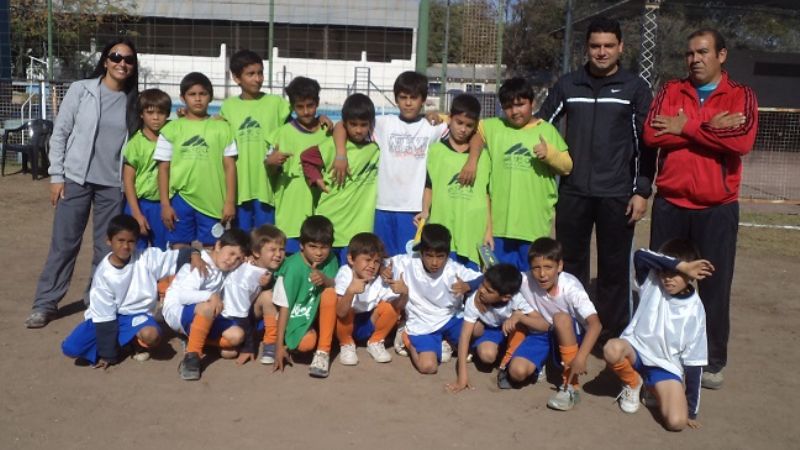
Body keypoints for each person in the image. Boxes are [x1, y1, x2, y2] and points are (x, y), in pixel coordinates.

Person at [643, 29, 758, 389]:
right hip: (671, 204)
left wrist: (686, 125)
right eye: (690, 53)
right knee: (664, 280)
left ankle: (711, 359)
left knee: (713, 284)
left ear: (721, 55)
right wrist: (710, 127)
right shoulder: (670, 90)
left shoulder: (741, 95)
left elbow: (741, 141)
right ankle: (661, 352)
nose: (695, 59)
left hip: (716, 207)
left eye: (703, 52)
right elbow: (652, 135)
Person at [536, 17, 656, 339]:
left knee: (613, 268)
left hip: (617, 193)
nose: (601, 52)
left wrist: (641, 190)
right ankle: (573, 331)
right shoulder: (569, 85)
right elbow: (539, 125)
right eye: (595, 46)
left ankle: (611, 335)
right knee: (570, 266)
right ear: (586, 48)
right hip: (573, 192)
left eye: (608, 46)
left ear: (620, 47)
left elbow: (647, 144)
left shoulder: (634, 88)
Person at [26, 38, 140, 329]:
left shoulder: (133, 101)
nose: (122, 63)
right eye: (116, 56)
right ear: (105, 60)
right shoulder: (82, 90)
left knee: (105, 248)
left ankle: (96, 301)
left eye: (128, 59)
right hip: (75, 180)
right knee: (64, 244)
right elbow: (60, 133)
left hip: (111, 185)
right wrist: (56, 175)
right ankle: (45, 303)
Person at [332, 71, 448, 256]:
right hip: (383, 208)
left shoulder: (432, 128)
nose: (408, 103)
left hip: (414, 210)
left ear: (423, 100)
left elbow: (465, 127)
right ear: (396, 99)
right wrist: (340, 154)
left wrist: (439, 115)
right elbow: (341, 125)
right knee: (383, 259)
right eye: (403, 97)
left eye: (414, 98)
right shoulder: (383, 124)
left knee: (409, 261)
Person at [61, 215, 200, 366]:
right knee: (71, 348)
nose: (125, 246)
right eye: (120, 240)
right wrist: (109, 355)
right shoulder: (103, 274)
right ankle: (122, 343)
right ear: (109, 241)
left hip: (136, 316)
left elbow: (177, 257)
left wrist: (194, 254)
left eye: (131, 241)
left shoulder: (146, 258)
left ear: (137, 241)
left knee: (151, 335)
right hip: (106, 318)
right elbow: (105, 319)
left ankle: (136, 342)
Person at [463, 78, 572, 271]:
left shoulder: (546, 130)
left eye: (520, 104)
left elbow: (567, 166)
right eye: (508, 107)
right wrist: (472, 161)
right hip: (499, 226)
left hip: (533, 225)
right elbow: (474, 130)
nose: (514, 112)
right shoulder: (495, 126)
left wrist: (550, 154)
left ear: (533, 103)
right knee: (500, 279)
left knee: (532, 279)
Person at [604, 241, 713, 431]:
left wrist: (691, 410)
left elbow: (694, 361)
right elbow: (640, 255)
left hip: (665, 367)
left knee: (676, 422)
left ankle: (652, 388)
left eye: (675, 274)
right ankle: (633, 382)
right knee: (612, 349)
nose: (667, 279)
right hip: (635, 352)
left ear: (691, 276)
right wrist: (681, 266)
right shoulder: (651, 280)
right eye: (664, 272)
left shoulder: (695, 310)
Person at [502, 238, 601, 411]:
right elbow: (498, 281)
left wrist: (581, 357)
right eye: (536, 268)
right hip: (540, 333)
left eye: (548, 267)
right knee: (516, 372)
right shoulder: (524, 280)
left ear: (560, 266)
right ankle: (540, 364)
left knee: (561, 318)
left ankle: (571, 386)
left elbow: (595, 325)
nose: (542, 274)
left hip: (569, 334)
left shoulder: (571, 287)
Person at [155, 72, 238, 248]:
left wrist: (230, 202)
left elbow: (230, 167)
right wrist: (165, 205)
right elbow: (163, 169)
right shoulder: (171, 129)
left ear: (211, 97)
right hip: (180, 199)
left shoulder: (223, 128)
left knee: (212, 249)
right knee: (179, 247)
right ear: (182, 98)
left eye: (203, 94)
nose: (198, 99)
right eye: (192, 94)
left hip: (212, 201)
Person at [388, 224, 481, 374]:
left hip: (450, 319)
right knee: (428, 367)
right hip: (421, 322)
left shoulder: (454, 268)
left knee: (478, 329)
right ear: (421, 252)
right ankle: (407, 338)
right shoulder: (407, 263)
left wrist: (468, 285)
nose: (434, 262)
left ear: (448, 255)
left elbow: (486, 278)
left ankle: (445, 342)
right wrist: (384, 272)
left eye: (440, 256)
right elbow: (382, 263)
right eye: (429, 256)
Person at [162, 228, 250, 380]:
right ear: (218, 246)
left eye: (238, 259)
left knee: (236, 338)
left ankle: (194, 338)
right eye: (231, 253)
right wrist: (210, 295)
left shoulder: (224, 267)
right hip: (177, 311)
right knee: (208, 306)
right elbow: (182, 296)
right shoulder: (201, 264)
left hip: (205, 313)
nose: (232, 260)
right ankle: (192, 356)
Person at [301, 93, 380, 264]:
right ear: (346, 123)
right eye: (353, 124)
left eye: (363, 125)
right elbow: (306, 157)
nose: (358, 130)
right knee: (324, 275)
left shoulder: (376, 147)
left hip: (357, 229)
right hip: (329, 223)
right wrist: (316, 179)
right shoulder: (333, 146)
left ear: (371, 124)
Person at [219, 50, 292, 231]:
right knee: (240, 240)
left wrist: (321, 119)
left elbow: (297, 127)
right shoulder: (228, 107)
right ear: (237, 78)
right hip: (240, 187)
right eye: (251, 74)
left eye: (260, 73)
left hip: (267, 186)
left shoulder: (276, 104)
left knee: (266, 239)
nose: (258, 79)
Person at [417, 94, 491, 269]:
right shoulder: (436, 151)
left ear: (475, 126)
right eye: (459, 123)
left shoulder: (484, 157)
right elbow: (429, 186)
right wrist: (425, 211)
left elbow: (487, 195)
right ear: (449, 119)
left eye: (469, 125)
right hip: (442, 229)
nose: (463, 129)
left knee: (469, 280)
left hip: (472, 231)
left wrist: (488, 231)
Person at [266, 77, 329, 254]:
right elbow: (270, 170)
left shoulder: (328, 131)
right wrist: (271, 163)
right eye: (300, 107)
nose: (306, 112)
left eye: (310, 106)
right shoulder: (282, 134)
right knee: (290, 258)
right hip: (291, 212)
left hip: (321, 207)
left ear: (317, 103)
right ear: (292, 107)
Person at [446, 263, 531, 393]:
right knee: (487, 356)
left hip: (510, 331)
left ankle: (510, 357)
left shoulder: (517, 298)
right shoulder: (475, 301)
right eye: (482, 285)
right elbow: (464, 336)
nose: (481, 290)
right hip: (491, 330)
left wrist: (519, 315)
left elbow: (539, 319)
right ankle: (492, 352)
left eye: (489, 290)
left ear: (506, 297)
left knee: (521, 326)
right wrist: (462, 377)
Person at [272, 215, 339, 378]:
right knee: (306, 343)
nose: (319, 253)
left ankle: (323, 351)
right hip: (297, 312)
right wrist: (278, 347)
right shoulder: (292, 268)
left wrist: (325, 280)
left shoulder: (331, 259)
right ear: (301, 245)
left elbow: (336, 284)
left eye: (324, 247)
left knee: (330, 293)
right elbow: (284, 308)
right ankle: (293, 341)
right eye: (313, 246)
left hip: (319, 310)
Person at [334, 233, 407, 366]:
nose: (372, 266)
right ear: (351, 259)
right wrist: (350, 291)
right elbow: (340, 312)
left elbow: (397, 307)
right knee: (346, 307)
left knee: (390, 306)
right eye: (367, 260)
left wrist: (404, 293)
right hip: (348, 323)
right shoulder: (345, 273)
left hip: (369, 321)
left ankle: (375, 341)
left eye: (376, 261)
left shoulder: (380, 279)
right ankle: (346, 343)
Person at [122, 89, 172, 250]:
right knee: (137, 252)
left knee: (164, 253)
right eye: (150, 113)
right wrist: (136, 214)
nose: (156, 117)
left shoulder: (173, 136)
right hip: (139, 204)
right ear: (141, 114)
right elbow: (128, 181)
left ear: (167, 114)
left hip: (164, 205)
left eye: (161, 113)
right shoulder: (135, 144)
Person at [247, 225, 288, 365]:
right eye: (272, 250)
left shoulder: (284, 266)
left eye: (281, 249)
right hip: (246, 315)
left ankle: (271, 341)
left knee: (270, 296)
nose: (278, 254)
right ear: (256, 252)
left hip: (268, 316)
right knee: (268, 296)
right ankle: (270, 342)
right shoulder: (246, 267)